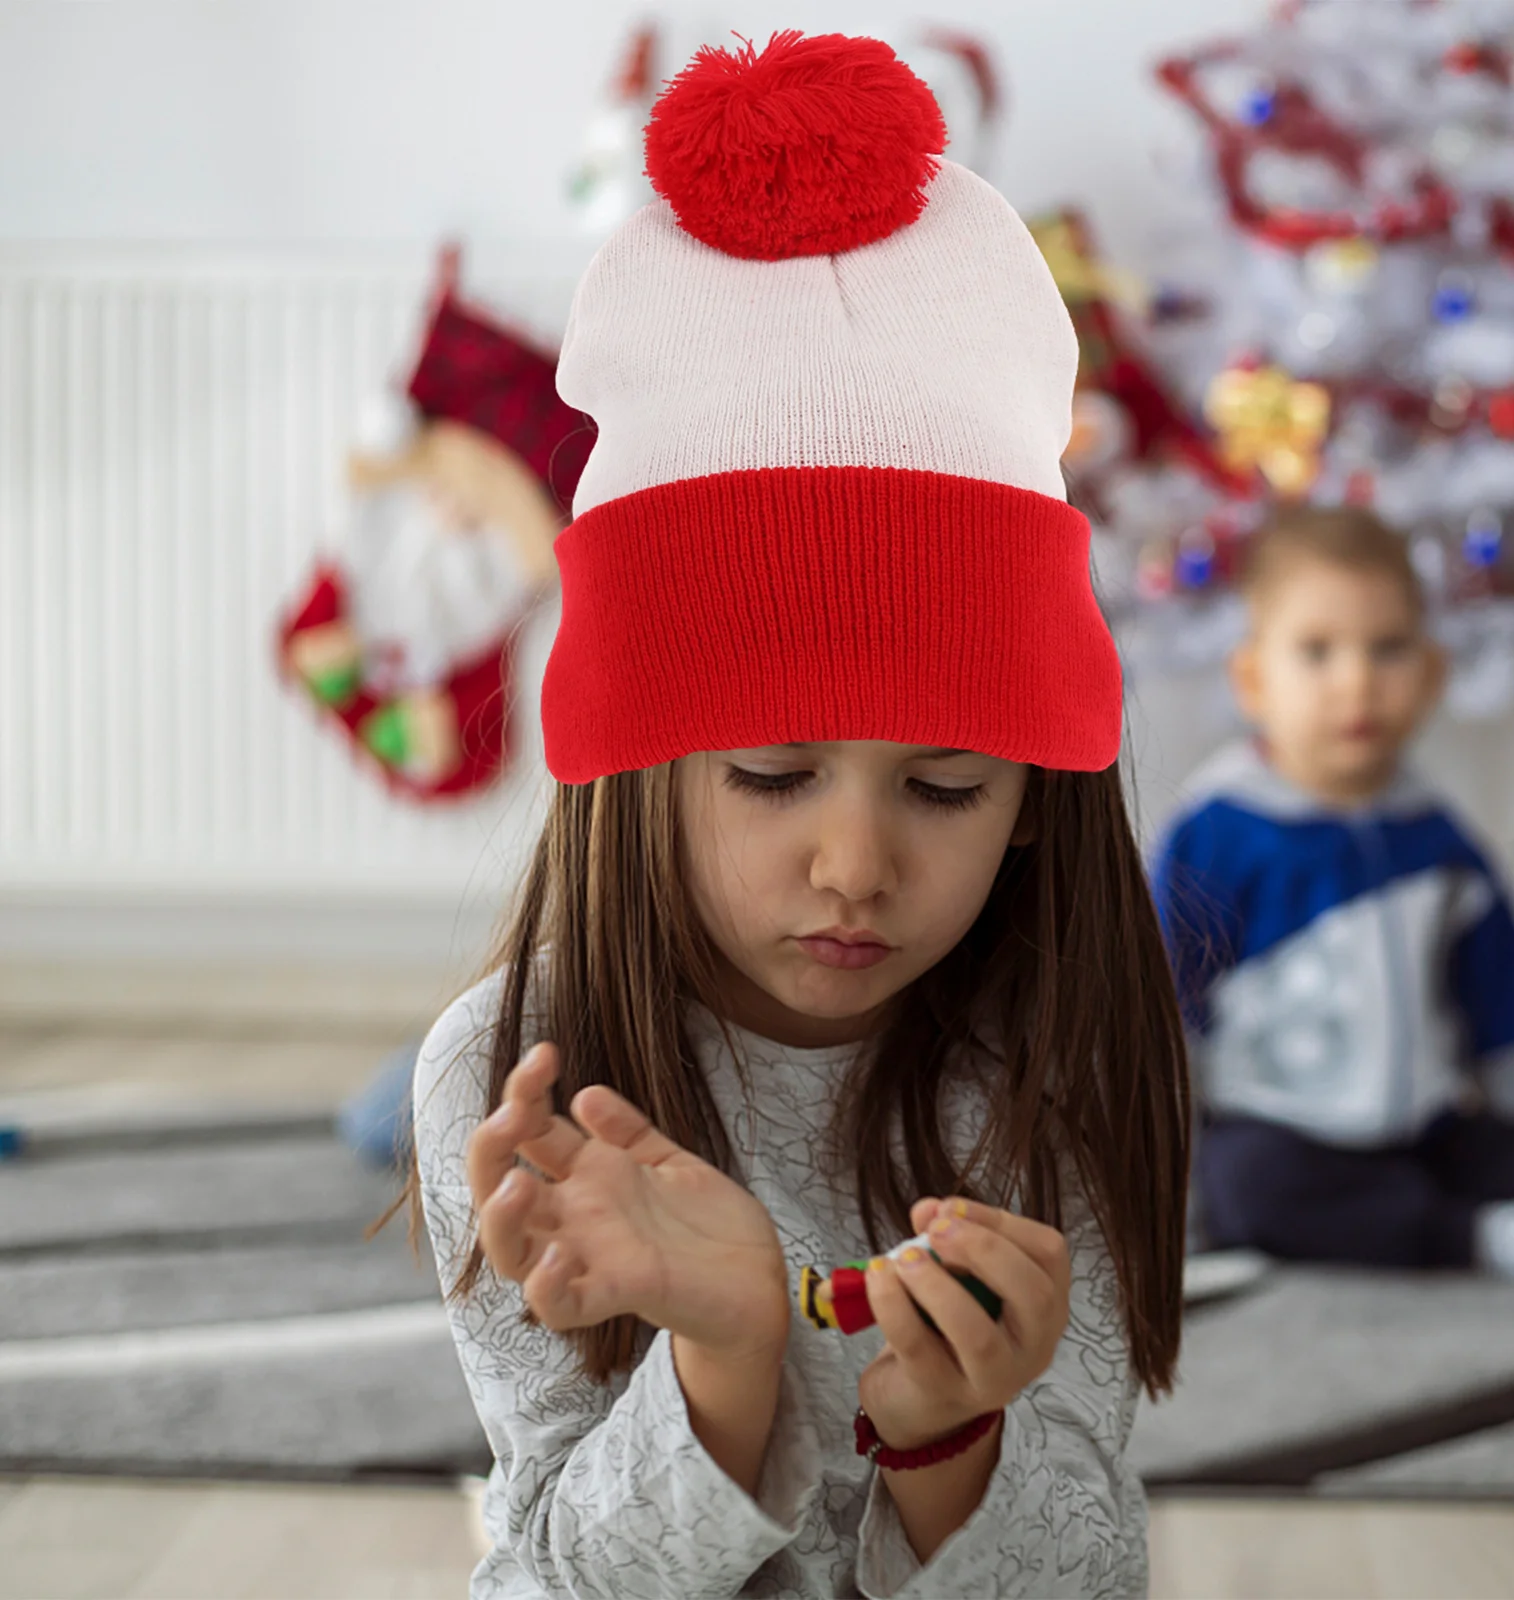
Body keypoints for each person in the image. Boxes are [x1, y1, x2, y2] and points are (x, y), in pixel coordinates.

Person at [386, 31, 1189, 1600]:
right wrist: (723, 1363)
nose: (854, 864)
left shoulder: (1058, 1057)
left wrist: (953, 1441)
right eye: (772, 775)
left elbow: (1090, 1572)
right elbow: (549, 1575)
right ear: (647, 767)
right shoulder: (512, 1071)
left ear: (1036, 800)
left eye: (946, 787)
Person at [1152, 504, 1514, 1290]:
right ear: (1255, 680)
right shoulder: (1216, 835)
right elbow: (1157, 1032)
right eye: (1317, 653)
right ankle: (1477, 1240)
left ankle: (1480, 1209)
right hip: (1280, 1136)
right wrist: (1167, 1206)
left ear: (1429, 675)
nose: (1357, 681)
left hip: (1422, 1132)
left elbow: (1510, 1011)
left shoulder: (1438, 840)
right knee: (1254, 1190)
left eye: (1387, 649)